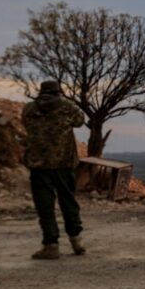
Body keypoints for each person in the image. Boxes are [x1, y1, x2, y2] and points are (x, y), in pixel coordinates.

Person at [22, 80, 86, 260]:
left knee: (45, 206)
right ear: (58, 92)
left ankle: (51, 245)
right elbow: (80, 121)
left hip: (39, 165)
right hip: (63, 164)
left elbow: (26, 125)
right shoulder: (67, 107)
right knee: (68, 201)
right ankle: (76, 240)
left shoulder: (29, 109)